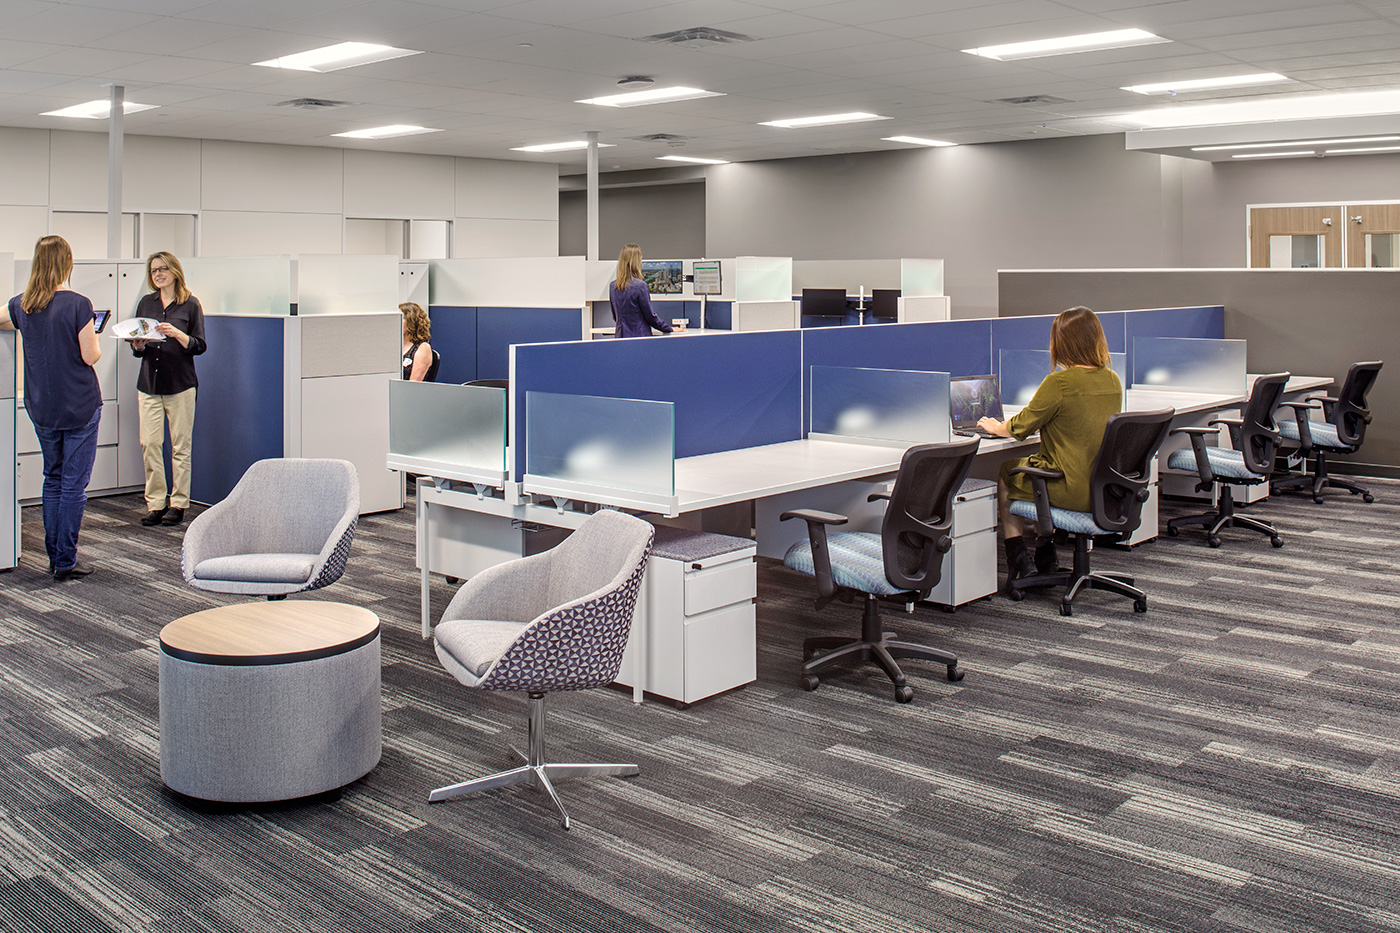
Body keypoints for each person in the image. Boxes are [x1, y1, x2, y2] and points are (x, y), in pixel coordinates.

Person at [976, 306, 1122, 585]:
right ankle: (1045, 550)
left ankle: (1018, 553)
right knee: (1035, 468)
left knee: (1009, 471)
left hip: (1071, 489)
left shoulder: (1059, 382)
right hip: (1106, 491)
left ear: (1062, 342)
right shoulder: (1112, 380)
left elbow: (1021, 426)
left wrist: (996, 426)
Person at [1, 236, 102, 580]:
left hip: (42, 406)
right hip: (80, 405)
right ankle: (65, 561)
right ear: (67, 263)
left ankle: (54, 556)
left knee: (53, 479)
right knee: (74, 485)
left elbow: (2, 318)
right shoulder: (78, 304)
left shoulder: (22, 305)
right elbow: (90, 356)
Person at [129, 251, 206, 527]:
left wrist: (177, 334)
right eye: (153, 271)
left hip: (180, 384)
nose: (158, 274)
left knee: (180, 446)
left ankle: (179, 503)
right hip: (149, 383)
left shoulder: (190, 305)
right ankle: (156, 503)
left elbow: (199, 345)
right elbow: (138, 344)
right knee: (150, 443)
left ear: (175, 271)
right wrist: (137, 345)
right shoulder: (146, 303)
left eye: (162, 269)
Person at [609, 243, 673, 338]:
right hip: (639, 338)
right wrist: (669, 328)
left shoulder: (613, 286)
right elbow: (650, 317)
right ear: (636, 262)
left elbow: (615, 317)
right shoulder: (640, 286)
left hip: (620, 337)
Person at [400, 302, 439, 381]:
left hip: (407, 392)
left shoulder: (423, 348)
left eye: (401, 318)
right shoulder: (395, 346)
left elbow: (413, 385)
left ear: (412, 321)